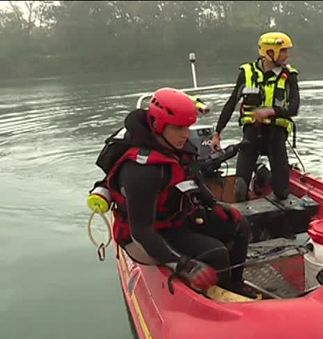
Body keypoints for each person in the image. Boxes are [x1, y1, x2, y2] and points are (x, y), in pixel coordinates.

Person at [92, 88, 253, 296]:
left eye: (187, 127)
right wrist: (185, 265)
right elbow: (141, 231)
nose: (185, 134)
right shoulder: (142, 170)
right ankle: (216, 299)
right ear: (158, 125)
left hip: (176, 216)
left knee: (239, 224)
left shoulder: (177, 147)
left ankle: (234, 286)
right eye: (178, 128)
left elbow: (191, 175)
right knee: (216, 252)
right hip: (149, 231)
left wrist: (214, 205)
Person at [211, 31, 300, 202]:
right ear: (269, 52)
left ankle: (261, 174)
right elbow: (231, 102)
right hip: (252, 133)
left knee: (282, 192)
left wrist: (270, 111)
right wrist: (217, 133)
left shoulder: (290, 76)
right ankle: (255, 174)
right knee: (239, 189)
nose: (287, 55)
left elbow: (294, 108)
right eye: (283, 51)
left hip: (276, 134)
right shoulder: (247, 72)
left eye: (287, 51)